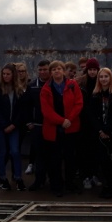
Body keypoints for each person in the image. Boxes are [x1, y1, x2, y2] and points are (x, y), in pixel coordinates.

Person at [40, 60, 84, 196]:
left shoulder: (72, 85)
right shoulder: (46, 89)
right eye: (54, 70)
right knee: (55, 159)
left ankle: (70, 184)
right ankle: (56, 186)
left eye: (59, 69)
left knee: (71, 158)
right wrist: (61, 121)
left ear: (64, 71)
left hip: (70, 127)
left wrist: (69, 119)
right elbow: (46, 110)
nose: (57, 71)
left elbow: (79, 103)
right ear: (51, 73)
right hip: (53, 129)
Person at [89, 67, 112, 199]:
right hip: (100, 133)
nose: (103, 79)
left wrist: (107, 129)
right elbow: (92, 115)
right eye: (101, 77)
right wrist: (100, 129)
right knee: (102, 160)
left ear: (110, 78)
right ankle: (105, 186)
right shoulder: (95, 94)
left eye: (106, 76)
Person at [0, 63, 26, 191]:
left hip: (14, 126)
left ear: (13, 75)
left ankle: (18, 177)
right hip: (1, 127)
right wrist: (4, 125)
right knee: (2, 152)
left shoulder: (19, 89)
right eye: (4, 74)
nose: (5, 76)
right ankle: (2, 178)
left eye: (8, 74)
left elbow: (21, 110)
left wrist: (14, 124)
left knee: (15, 151)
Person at [76, 58, 101, 190]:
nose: (92, 72)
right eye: (90, 69)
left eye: (94, 69)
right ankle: (86, 176)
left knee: (95, 150)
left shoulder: (101, 81)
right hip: (83, 121)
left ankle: (94, 175)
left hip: (96, 121)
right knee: (84, 150)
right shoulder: (80, 83)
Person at [27, 60, 51, 191]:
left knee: (53, 155)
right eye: (40, 70)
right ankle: (39, 180)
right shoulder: (32, 86)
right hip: (37, 126)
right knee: (39, 155)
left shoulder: (55, 84)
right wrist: (29, 122)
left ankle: (54, 181)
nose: (42, 72)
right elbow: (26, 105)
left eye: (45, 69)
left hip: (52, 125)